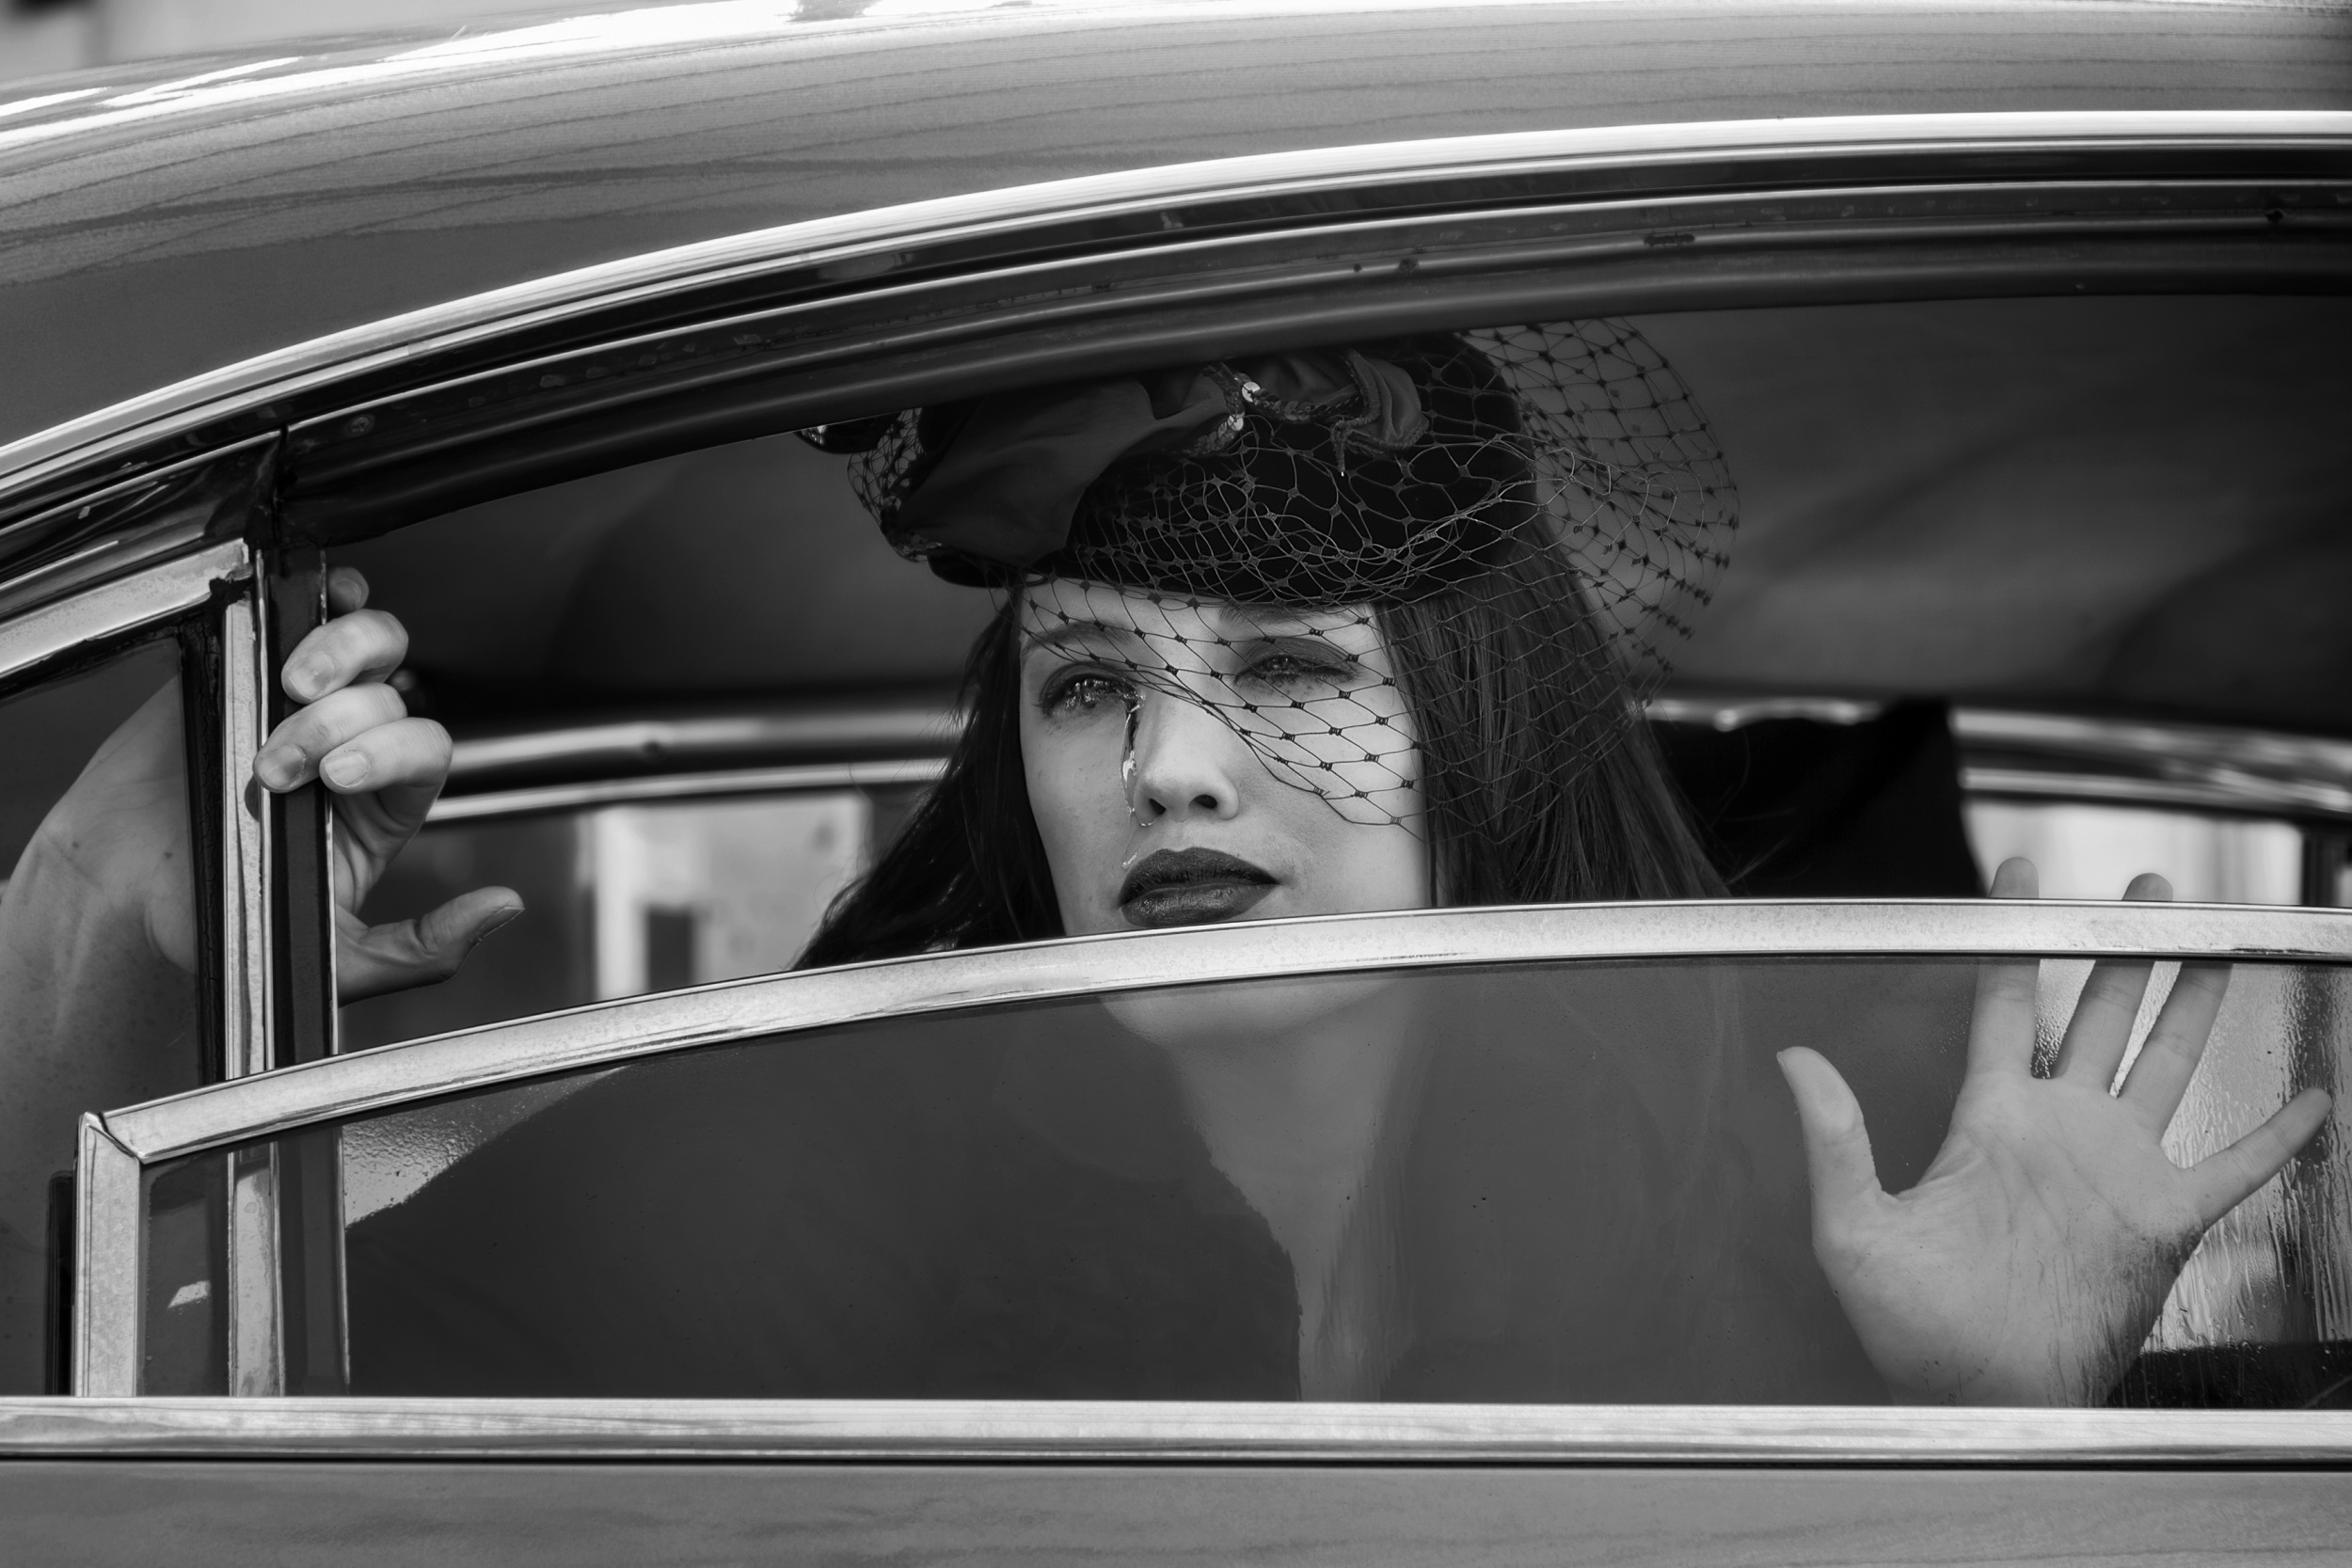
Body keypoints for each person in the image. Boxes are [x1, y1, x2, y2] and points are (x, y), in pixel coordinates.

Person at [2, 325, 2328, 1403]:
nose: (1174, 772)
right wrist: (125, 943)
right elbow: (172, 1473)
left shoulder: (1751, 1203)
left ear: (1474, 737)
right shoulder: (780, 1158)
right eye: (1089, 683)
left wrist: (2004, 1428)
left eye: (1293, 667)